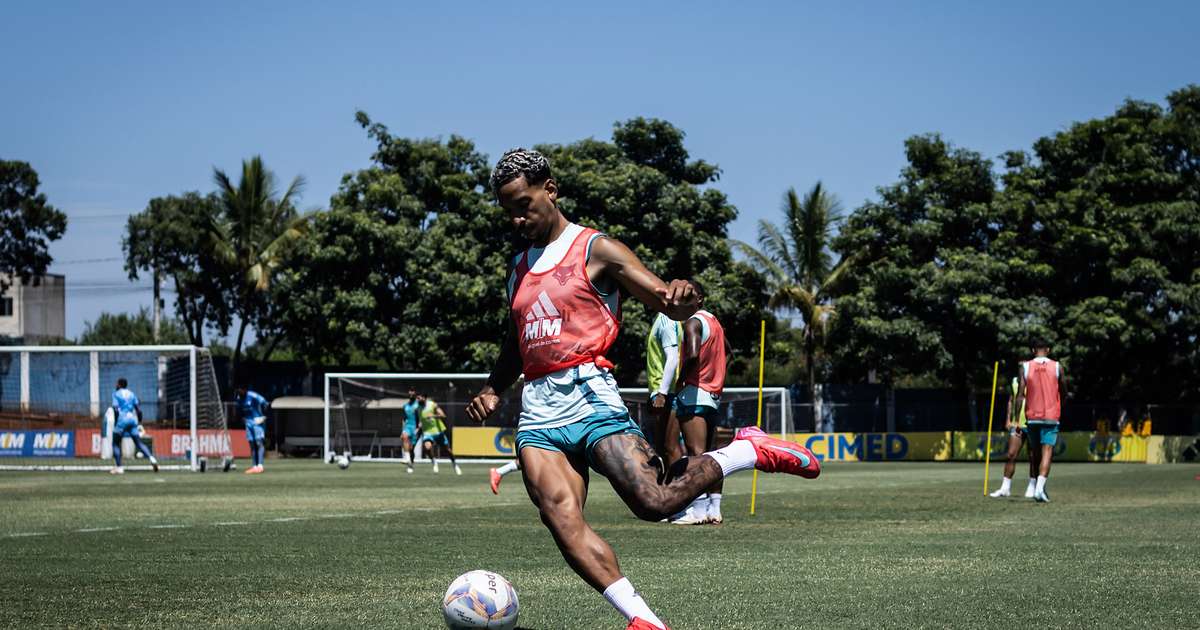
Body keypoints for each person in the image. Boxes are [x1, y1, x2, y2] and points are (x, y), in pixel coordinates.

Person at [466, 148, 820, 630]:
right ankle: (643, 620)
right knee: (561, 521)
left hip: (590, 396)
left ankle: (745, 451)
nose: (517, 217)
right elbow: (517, 337)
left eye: (524, 203)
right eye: (508, 210)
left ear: (550, 190)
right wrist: (493, 387)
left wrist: (683, 295)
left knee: (654, 504)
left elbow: (666, 301)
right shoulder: (518, 268)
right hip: (539, 413)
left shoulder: (596, 248)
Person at [670, 303, 731, 525]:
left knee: (696, 454)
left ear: (698, 299)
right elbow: (729, 352)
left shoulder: (693, 322)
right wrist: (715, 376)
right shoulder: (715, 323)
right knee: (712, 454)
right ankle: (714, 509)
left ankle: (697, 511)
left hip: (694, 393)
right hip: (713, 396)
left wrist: (681, 380)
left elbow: (693, 355)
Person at [1012, 340, 1068, 503]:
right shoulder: (1057, 366)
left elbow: (1020, 395)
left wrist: (1016, 420)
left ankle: (1038, 487)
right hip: (1051, 417)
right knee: (1047, 452)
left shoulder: (1026, 366)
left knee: (1035, 454)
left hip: (1032, 417)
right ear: (1048, 350)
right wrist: (1063, 400)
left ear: (1032, 350)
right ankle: (1039, 489)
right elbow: (1064, 388)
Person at [646, 312, 684, 473]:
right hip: (666, 391)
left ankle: (681, 491)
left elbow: (673, 358)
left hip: (667, 392)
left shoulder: (666, 320)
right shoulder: (668, 320)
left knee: (670, 446)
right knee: (662, 447)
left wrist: (662, 393)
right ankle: (669, 491)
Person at [990, 375, 1038, 498]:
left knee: (1033, 456)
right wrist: (1008, 419)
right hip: (1017, 424)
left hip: (1033, 422)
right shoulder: (1014, 381)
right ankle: (1005, 488)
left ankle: (1032, 486)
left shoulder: (1036, 379)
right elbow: (1011, 400)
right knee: (1011, 454)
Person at [109, 378, 158, 474]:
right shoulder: (132, 394)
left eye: (116, 384)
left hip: (122, 420)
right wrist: (139, 421)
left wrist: (116, 421)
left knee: (115, 443)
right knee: (139, 443)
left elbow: (115, 409)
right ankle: (152, 459)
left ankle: (119, 467)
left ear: (119, 385)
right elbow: (138, 410)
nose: (115, 385)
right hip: (132, 420)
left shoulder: (116, 394)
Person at [417, 394, 461, 475]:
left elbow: (443, 415)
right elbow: (421, 419)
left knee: (448, 451)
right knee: (427, 447)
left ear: (424, 398)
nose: (418, 400)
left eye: (419, 398)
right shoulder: (418, 408)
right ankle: (434, 462)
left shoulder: (432, 405)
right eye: (417, 398)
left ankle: (455, 465)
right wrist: (418, 427)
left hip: (438, 431)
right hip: (427, 432)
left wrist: (433, 415)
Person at [236, 386, 270, 474]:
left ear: (244, 389)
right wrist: (242, 418)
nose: (239, 391)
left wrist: (263, 416)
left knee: (259, 443)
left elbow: (265, 403)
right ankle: (254, 466)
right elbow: (239, 410)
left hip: (257, 421)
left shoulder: (253, 395)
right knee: (251, 444)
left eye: (240, 389)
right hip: (248, 423)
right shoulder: (239, 397)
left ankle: (260, 466)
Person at [402, 388, 421, 473]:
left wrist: (419, 428)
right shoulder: (405, 406)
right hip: (408, 426)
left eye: (412, 394)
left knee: (411, 448)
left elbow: (421, 417)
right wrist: (403, 430)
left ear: (415, 395)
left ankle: (411, 465)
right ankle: (407, 459)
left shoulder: (418, 405)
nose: (411, 395)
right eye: (410, 394)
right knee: (404, 437)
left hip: (416, 428)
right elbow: (404, 419)